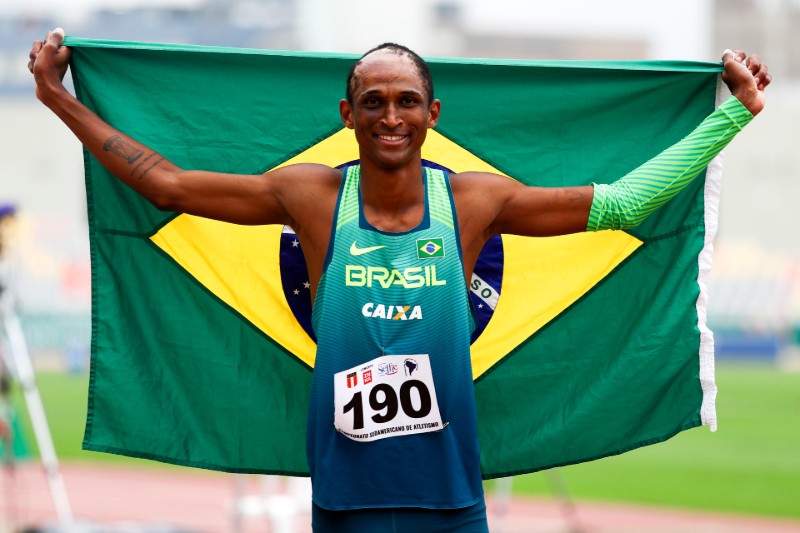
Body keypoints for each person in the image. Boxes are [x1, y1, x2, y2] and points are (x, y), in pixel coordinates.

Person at [29, 29, 770, 532]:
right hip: (345, 497)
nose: (391, 116)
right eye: (374, 101)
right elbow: (167, 186)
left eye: (407, 100)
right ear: (347, 114)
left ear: (432, 113)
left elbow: (626, 204)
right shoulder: (311, 196)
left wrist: (733, 115)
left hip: (451, 496)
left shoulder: (474, 202)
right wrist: (59, 97)